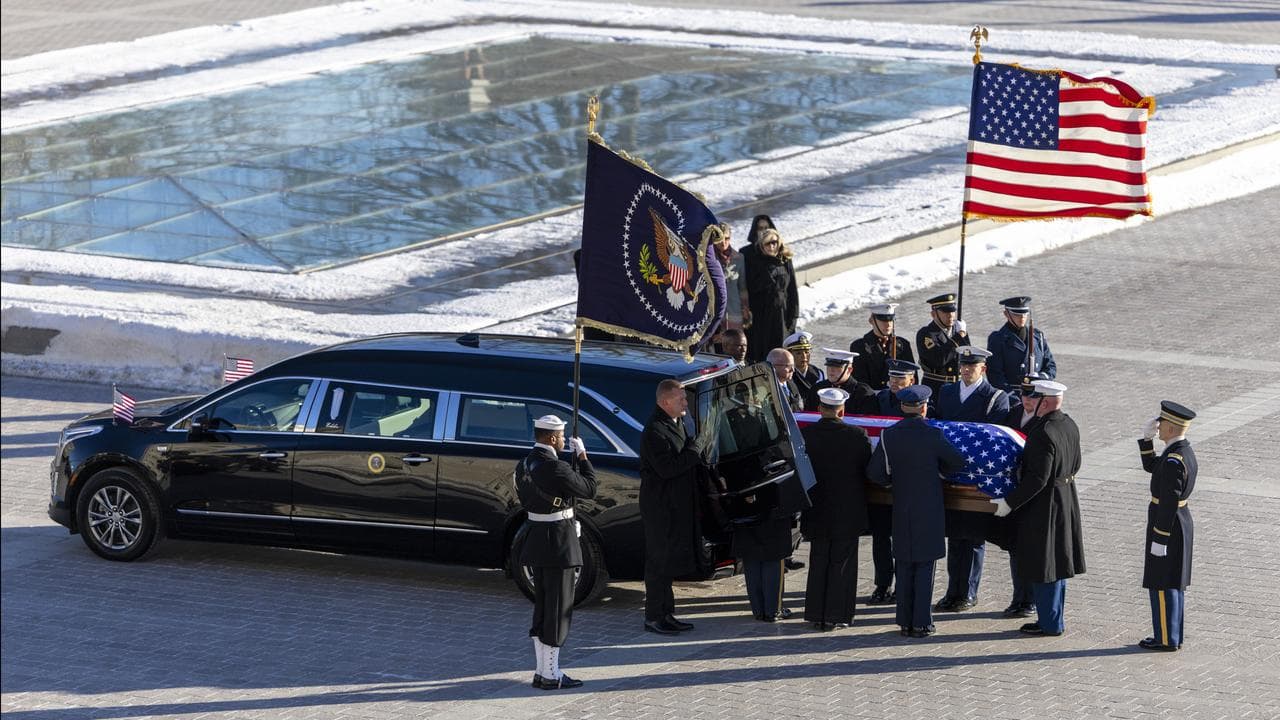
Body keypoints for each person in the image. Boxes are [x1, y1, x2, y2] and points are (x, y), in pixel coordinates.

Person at [868, 385, 967, 637]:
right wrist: (940, 473)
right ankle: (922, 622)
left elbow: (876, 473)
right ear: (924, 407)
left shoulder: (889, 435)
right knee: (924, 565)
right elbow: (957, 461)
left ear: (902, 407)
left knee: (903, 563)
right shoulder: (933, 435)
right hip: (929, 508)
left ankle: (904, 621)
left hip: (901, 507)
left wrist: (892, 482)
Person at [990, 380, 1085, 637]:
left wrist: (1009, 502)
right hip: (1065, 497)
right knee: (1058, 563)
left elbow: (1037, 479)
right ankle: (1052, 618)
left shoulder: (1043, 433)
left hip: (1046, 505)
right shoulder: (1068, 424)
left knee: (1044, 564)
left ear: (1045, 401)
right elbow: (1076, 463)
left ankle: (1050, 623)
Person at [515, 415, 598, 690]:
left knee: (543, 608)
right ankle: (551, 674)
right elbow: (590, 488)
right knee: (559, 610)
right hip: (558, 545)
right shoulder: (556, 468)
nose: (564, 441)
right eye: (562, 437)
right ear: (552, 438)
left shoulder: (524, 463)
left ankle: (542, 671)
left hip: (536, 539)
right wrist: (583, 457)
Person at [932, 346, 1011, 613]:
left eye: (972, 366)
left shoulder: (995, 398)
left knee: (974, 537)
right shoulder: (947, 392)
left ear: (983, 369)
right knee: (954, 536)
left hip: (977, 478)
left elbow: (993, 436)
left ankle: (968, 592)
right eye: (963, 365)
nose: (966, 370)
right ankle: (952, 591)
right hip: (951, 475)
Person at [640, 379, 718, 635]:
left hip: (677, 505)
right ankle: (654, 616)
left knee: (669, 562)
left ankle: (667, 612)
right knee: (658, 563)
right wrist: (696, 447)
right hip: (661, 508)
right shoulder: (655, 431)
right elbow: (668, 468)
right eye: (681, 399)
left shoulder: (677, 422)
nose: (686, 402)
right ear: (665, 402)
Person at [801, 387, 873, 630]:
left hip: (817, 508)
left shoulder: (807, 436)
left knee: (819, 559)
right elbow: (867, 470)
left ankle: (815, 612)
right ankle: (837, 614)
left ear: (820, 409)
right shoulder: (857, 436)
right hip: (847, 510)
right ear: (842, 410)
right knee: (842, 562)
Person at [1137, 400, 1198, 651]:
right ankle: (1172, 634)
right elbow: (1153, 467)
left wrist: (1160, 538)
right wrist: (1146, 441)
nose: (1159, 428)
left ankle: (1165, 639)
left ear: (1172, 429)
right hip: (1179, 523)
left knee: (1162, 583)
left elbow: (1168, 503)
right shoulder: (1180, 452)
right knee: (1173, 582)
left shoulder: (1174, 460)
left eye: (1161, 425)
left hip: (1168, 526)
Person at [866, 358, 919, 604]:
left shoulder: (919, 405)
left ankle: (902, 584)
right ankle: (882, 583)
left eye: (901, 379)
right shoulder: (879, 399)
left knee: (903, 537)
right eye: (892, 378)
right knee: (881, 537)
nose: (895, 384)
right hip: (881, 480)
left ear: (912, 381)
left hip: (906, 479)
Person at [997, 374, 1046, 619]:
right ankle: (1019, 598)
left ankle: (1032, 600)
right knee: (1016, 549)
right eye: (1025, 394)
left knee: (1031, 550)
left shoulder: (1044, 422)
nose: (1028, 400)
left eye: (1034, 396)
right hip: (1013, 491)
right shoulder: (1014, 415)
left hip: (1032, 494)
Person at [742, 227, 798, 363]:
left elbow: (792, 290)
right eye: (768, 243)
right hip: (762, 315)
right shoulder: (755, 262)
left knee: (782, 351)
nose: (772, 246)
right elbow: (751, 288)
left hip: (782, 315)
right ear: (761, 245)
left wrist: (793, 316)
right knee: (764, 352)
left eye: (774, 242)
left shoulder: (785, 260)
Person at [986, 296, 1057, 392]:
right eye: (1017, 314)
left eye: (1025, 314)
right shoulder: (998, 339)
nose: (1022, 317)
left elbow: (1050, 366)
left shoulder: (1038, 336)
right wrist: (1012, 398)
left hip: (1037, 395)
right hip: (1013, 397)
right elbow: (995, 375)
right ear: (1006, 314)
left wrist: (1040, 377)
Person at [850, 303, 915, 390]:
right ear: (872, 320)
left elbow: (912, 375)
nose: (888, 324)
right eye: (883, 320)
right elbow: (859, 380)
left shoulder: (903, 344)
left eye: (891, 320)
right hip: (872, 397)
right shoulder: (859, 346)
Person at [916, 293, 970, 396]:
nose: (950, 315)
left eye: (952, 311)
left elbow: (968, 355)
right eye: (945, 312)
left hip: (959, 387)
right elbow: (939, 359)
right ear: (933, 314)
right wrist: (959, 336)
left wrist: (964, 335)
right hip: (937, 388)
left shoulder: (957, 331)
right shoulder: (926, 334)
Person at [805, 349, 877, 415]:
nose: (831, 370)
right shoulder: (817, 389)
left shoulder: (863, 393)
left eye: (837, 367)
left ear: (849, 370)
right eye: (829, 365)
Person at [712, 223, 750, 333]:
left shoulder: (738, 258)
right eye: (720, 239)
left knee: (734, 342)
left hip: (734, 310)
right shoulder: (709, 258)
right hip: (715, 310)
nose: (723, 242)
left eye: (727, 238)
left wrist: (745, 308)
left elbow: (742, 287)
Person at [785, 331, 825, 400]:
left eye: (807, 352)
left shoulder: (818, 373)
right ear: (790, 354)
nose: (804, 356)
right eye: (798, 353)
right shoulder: (786, 373)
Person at [766, 347, 804, 413]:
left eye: (793, 365)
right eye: (788, 366)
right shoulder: (765, 387)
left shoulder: (791, 383)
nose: (793, 370)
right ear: (773, 367)